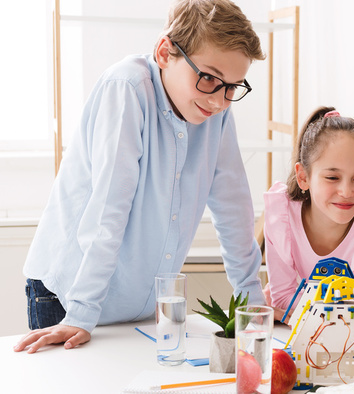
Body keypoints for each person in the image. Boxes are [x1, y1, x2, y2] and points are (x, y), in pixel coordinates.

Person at [14, 0, 266, 354]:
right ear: (166, 53)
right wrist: (81, 313)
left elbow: (233, 208)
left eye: (233, 87)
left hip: (140, 305)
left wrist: (253, 307)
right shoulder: (128, 87)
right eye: (208, 77)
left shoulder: (215, 111)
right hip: (70, 298)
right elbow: (109, 210)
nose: (221, 100)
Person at [263, 106, 354, 321]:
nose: (346, 192)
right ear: (303, 177)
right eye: (332, 178)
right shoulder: (281, 216)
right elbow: (282, 298)